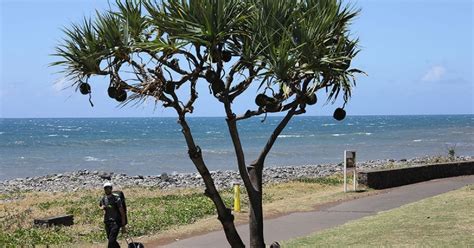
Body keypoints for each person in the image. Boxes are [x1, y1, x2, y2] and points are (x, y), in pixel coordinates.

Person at [99, 182, 127, 248]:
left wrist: (123, 226)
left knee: (111, 241)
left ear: (111, 189)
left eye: (108, 188)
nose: (107, 190)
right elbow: (100, 205)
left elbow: (122, 212)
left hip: (115, 222)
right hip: (107, 222)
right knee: (111, 239)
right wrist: (102, 207)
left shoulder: (117, 199)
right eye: (105, 188)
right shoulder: (103, 198)